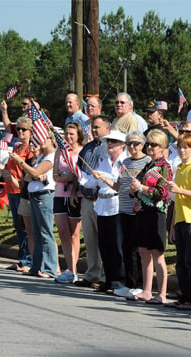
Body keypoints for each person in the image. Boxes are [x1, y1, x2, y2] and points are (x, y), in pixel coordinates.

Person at [128, 129, 173, 304]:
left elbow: (162, 192)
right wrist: (134, 189)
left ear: (162, 147)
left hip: (156, 212)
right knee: (143, 251)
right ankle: (147, 290)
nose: (149, 147)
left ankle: (161, 293)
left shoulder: (164, 167)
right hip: (142, 211)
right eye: (148, 143)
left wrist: (142, 188)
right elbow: (137, 188)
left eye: (153, 144)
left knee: (157, 252)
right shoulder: (147, 165)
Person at [81, 130, 128, 293]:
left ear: (122, 144)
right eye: (108, 141)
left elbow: (119, 184)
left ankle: (119, 281)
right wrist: (83, 177)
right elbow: (91, 183)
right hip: (102, 204)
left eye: (113, 142)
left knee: (117, 246)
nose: (109, 144)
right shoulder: (104, 161)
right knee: (105, 245)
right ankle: (107, 279)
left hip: (115, 203)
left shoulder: (124, 162)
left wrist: (103, 178)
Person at [167, 133, 191, 311]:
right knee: (181, 261)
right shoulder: (180, 168)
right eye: (180, 147)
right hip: (181, 217)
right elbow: (176, 199)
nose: (182, 151)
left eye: (186, 147)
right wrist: (173, 223)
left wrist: (180, 189)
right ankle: (184, 295)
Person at [11, 129, 58, 278]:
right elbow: (28, 177)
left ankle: (49, 268)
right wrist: (33, 174)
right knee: (36, 234)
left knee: (46, 233)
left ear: (51, 140)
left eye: (43, 139)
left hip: (45, 196)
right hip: (34, 195)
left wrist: (20, 162)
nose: (40, 141)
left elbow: (35, 173)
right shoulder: (41, 158)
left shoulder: (51, 157)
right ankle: (37, 266)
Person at [73, 115, 110, 288]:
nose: (94, 130)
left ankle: (104, 276)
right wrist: (75, 190)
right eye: (93, 127)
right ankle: (92, 273)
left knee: (104, 239)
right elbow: (78, 172)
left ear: (107, 128)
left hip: (102, 199)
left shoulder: (109, 148)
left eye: (97, 127)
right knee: (90, 239)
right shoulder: (86, 148)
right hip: (86, 199)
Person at [116, 131, 151, 295]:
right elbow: (119, 184)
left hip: (138, 209)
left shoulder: (148, 162)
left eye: (136, 144)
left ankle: (139, 284)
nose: (132, 147)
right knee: (127, 247)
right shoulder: (125, 162)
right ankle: (129, 283)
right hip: (123, 209)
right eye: (129, 144)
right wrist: (103, 179)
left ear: (143, 145)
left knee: (137, 249)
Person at [0, 117, 33, 271]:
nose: (20, 131)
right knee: (18, 227)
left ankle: (28, 260)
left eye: (23, 129)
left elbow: (28, 169)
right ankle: (21, 259)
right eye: (18, 129)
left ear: (30, 131)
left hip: (22, 191)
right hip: (12, 190)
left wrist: (18, 160)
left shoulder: (30, 149)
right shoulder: (17, 147)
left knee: (25, 227)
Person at [53, 122, 84, 284]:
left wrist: (72, 177)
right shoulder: (60, 150)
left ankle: (74, 269)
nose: (68, 136)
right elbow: (55, 176)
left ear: (78, 135)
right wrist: (69, 176)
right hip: (59, 194)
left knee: (74, 234)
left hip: (76, 195)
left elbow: (81, 175)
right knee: (63, 233)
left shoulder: (81, 151)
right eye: (66, 133)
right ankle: (69, 268)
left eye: (72, 134)